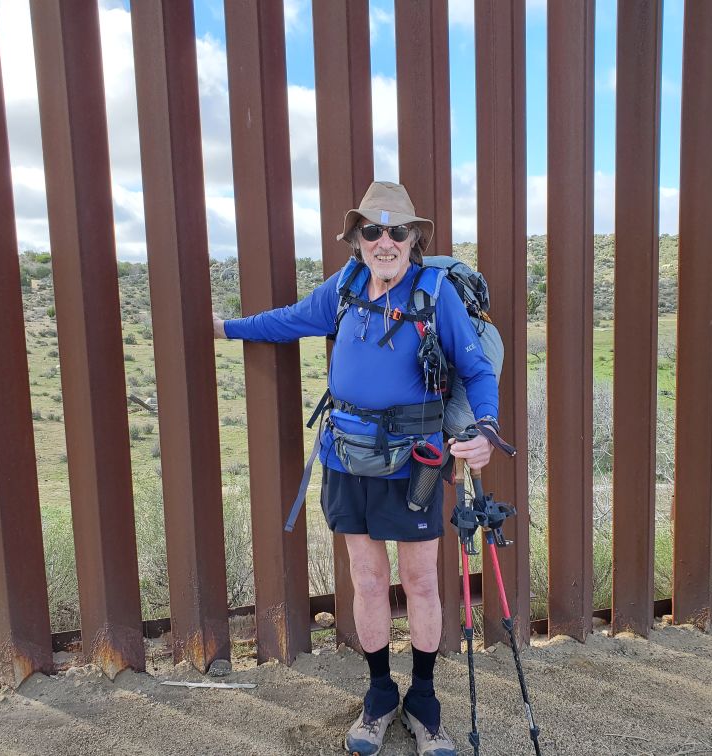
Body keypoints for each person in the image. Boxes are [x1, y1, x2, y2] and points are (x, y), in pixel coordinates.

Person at [214, 181, 499, 756]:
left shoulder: (434, 292)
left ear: (415, 239)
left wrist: (485, 430)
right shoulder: (344, 288)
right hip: (346, 457)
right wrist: (226, 328)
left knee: (419, 582)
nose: (385, 241)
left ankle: (423, 701)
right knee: (367, 581)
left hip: (413, 463)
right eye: (373, 230)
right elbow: (290, 321)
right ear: (357, 240)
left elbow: (476, 370)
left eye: (397, 231)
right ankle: (377, 695)